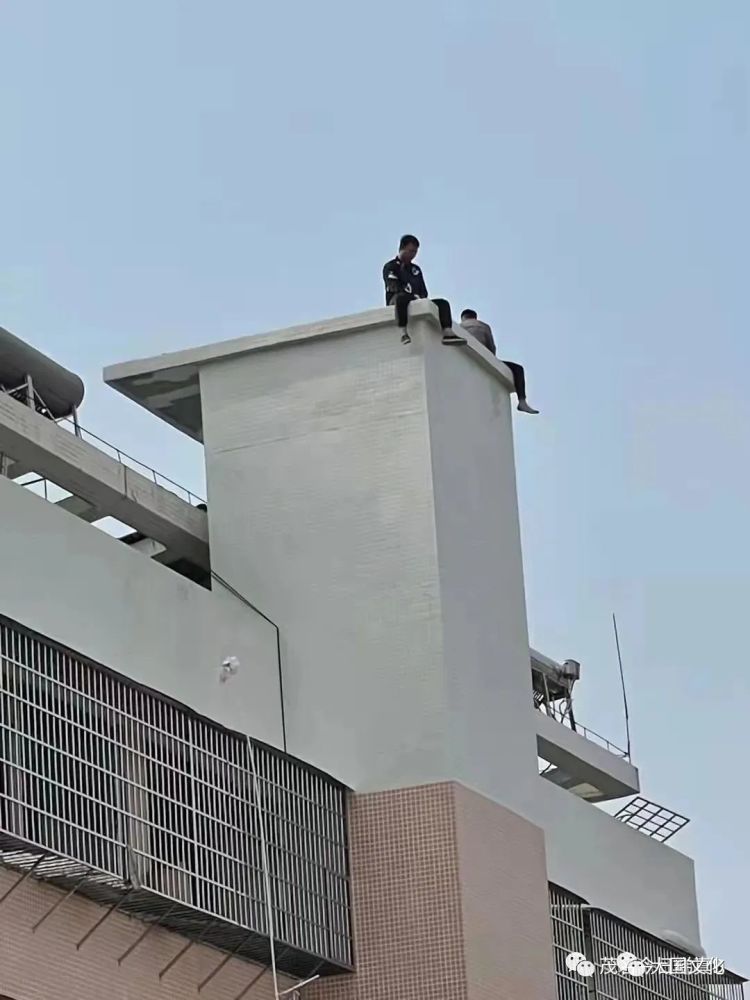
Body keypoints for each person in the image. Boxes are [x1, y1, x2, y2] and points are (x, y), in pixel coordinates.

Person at [383, 235, 465, 345]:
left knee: (442, 303)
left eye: (415, 252)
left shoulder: (415, 269)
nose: (413, 255)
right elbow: (393, 286)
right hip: (398, 299)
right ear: (402, 248)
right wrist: (411, 295)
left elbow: (423, 290)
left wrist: (419, 297)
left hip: (416, 299)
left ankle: (447, 333)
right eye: (410, 251)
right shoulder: (391, 266)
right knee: (401, 298)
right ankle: (403, 331)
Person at [459, 309, 539, 414]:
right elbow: (491, 347)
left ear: (463, 318)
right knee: (518, 369)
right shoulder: (483, 326)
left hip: (465, 355)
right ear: (475, 317)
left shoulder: (459, 326)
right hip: (485, 356)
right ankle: (522, 401)